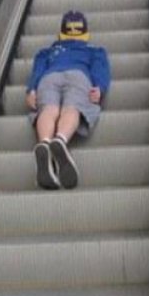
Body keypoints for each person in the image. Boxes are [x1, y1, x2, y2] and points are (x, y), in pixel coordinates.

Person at [25, 10, 110, 190]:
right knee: (72, 108)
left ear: (61, 34)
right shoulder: (94, 50)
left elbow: (37, 70)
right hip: (79, 75)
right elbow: (100, 70)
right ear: (85, 33)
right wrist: (99, 88)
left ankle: (45, 143)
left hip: (49, 76)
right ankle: (61, 139)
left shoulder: (47, 52)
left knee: (49, 109)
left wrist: (31, 90)